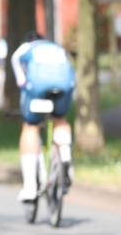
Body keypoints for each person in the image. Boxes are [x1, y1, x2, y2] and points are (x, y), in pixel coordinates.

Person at [11, 31, 76, 203]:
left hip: (39, 87)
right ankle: (65, 154)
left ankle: (30, 186)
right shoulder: (56, 48)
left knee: (30, 127)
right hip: (64, 86)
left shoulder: (22, 50)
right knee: (60, 119)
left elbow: (22, 82)